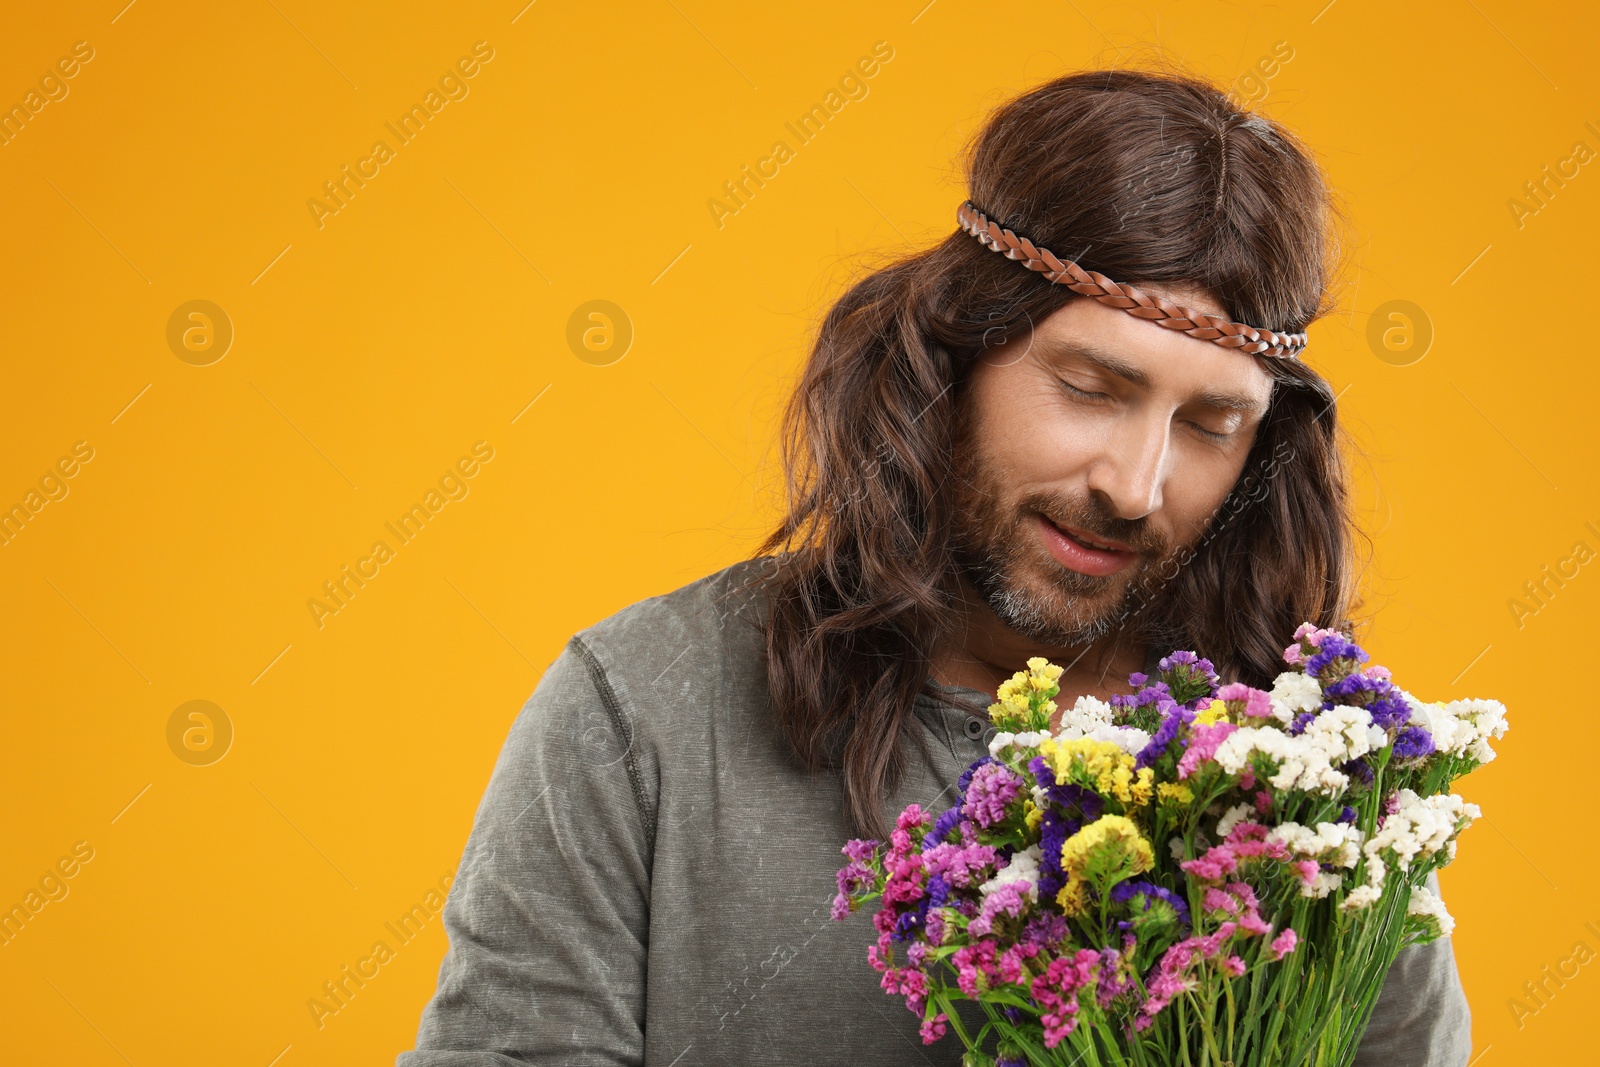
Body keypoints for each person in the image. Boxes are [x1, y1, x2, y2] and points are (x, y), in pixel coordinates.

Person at [397, 67, 1472, 1066]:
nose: (1137, 484)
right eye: (1091, 387)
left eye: (1208, 423)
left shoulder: (1308, 787)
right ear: (955, 351)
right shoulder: (642, 710)